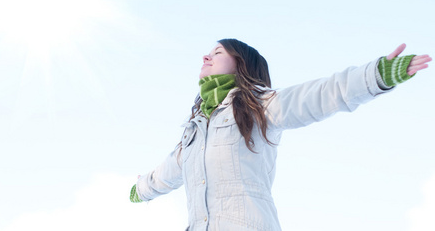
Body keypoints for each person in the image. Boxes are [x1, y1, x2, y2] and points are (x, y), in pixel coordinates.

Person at [130, 39, 431, 231]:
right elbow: (168, 171)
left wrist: (375, 76)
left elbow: (317, 96)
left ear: (240, 64)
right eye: (207, 53)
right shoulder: (195, 131)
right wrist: (141, 189)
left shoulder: (256, 106)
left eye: (217, 52)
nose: (206, 56)